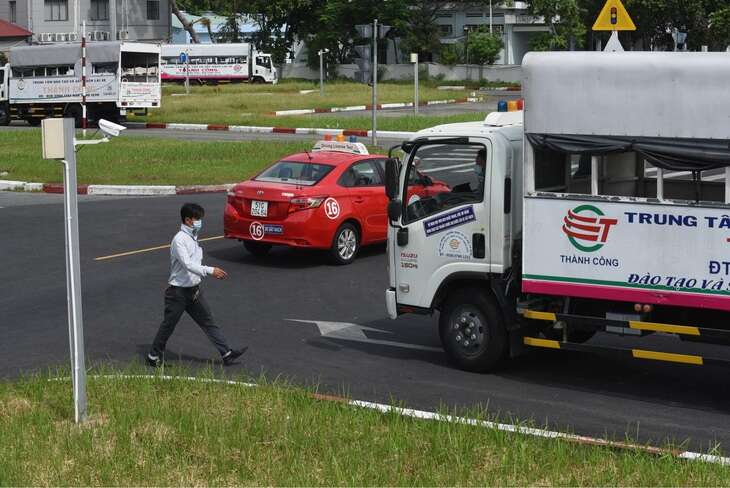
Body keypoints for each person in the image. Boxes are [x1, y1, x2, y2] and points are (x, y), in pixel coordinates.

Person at [147, 203, 246, 367]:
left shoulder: (193, 237)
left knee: (208, 321)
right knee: (168, 325)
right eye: (197, 219)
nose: (200, 222)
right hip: (177, 293)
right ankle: (153, 356)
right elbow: (187, 264)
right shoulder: (179, 240)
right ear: (187, 220)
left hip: (193, 291)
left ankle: (226, 353)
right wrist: (209, 270)